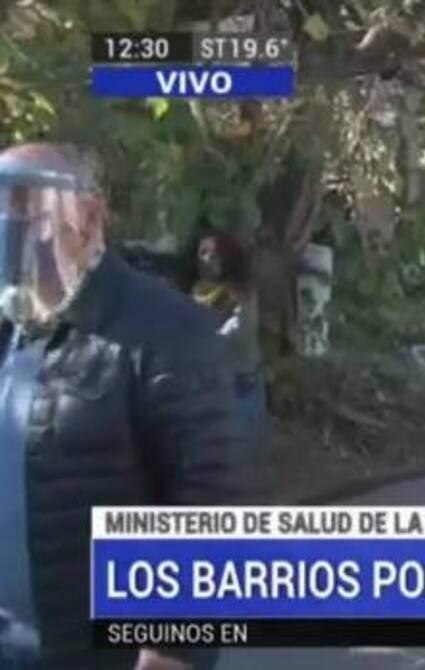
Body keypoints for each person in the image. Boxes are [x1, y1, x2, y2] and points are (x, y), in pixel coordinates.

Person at [0, 142, 261, 670]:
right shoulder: (11, 328)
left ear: (89, 215)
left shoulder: (168, 332)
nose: (6, 222)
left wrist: (172, 651)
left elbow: (209, 506)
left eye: (23, 205)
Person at [186, 225, 268, 446]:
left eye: (213, 254)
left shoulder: (241, 292)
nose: (207, 259)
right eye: (203, 253)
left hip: (240, 383)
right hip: (210, 384)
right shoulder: (197, 291)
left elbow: (237, 333)